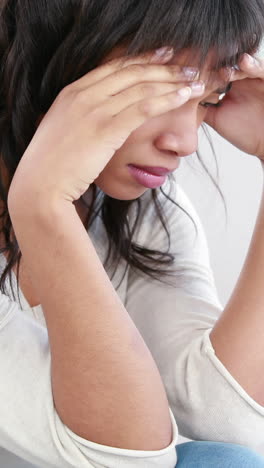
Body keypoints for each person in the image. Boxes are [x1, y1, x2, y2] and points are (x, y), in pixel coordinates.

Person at [0, 0, 264, 467]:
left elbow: (229, 422)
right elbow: (128, 461)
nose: (185, 142)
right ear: (55, 50)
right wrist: (43, 206)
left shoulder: (143, 212)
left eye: (207, 100)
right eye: (156, 90)